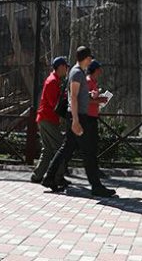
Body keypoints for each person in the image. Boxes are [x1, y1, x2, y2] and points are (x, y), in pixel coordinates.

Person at [41, 46, 116, 197]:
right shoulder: (76, 72)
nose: (91, 61)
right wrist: (75, 120)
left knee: (67, 148)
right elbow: (73, 97)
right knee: (88, 152)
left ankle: (49, 177)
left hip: (77, 116)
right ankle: (96, 186)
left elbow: (78, 94)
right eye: (90, 58)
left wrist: (90, 94)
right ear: (87, 58)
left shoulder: (77, 72)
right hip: (78, 116)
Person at [31, 57, 70, 185]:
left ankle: (37, 175)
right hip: (48, 118)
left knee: (47, 149)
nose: (67, 69)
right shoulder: (53, 81)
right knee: (59, 148)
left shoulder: (55, 80)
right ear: (60, 67)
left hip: (45, 118)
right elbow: (55, 103)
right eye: (66, 66)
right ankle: (57, 177)